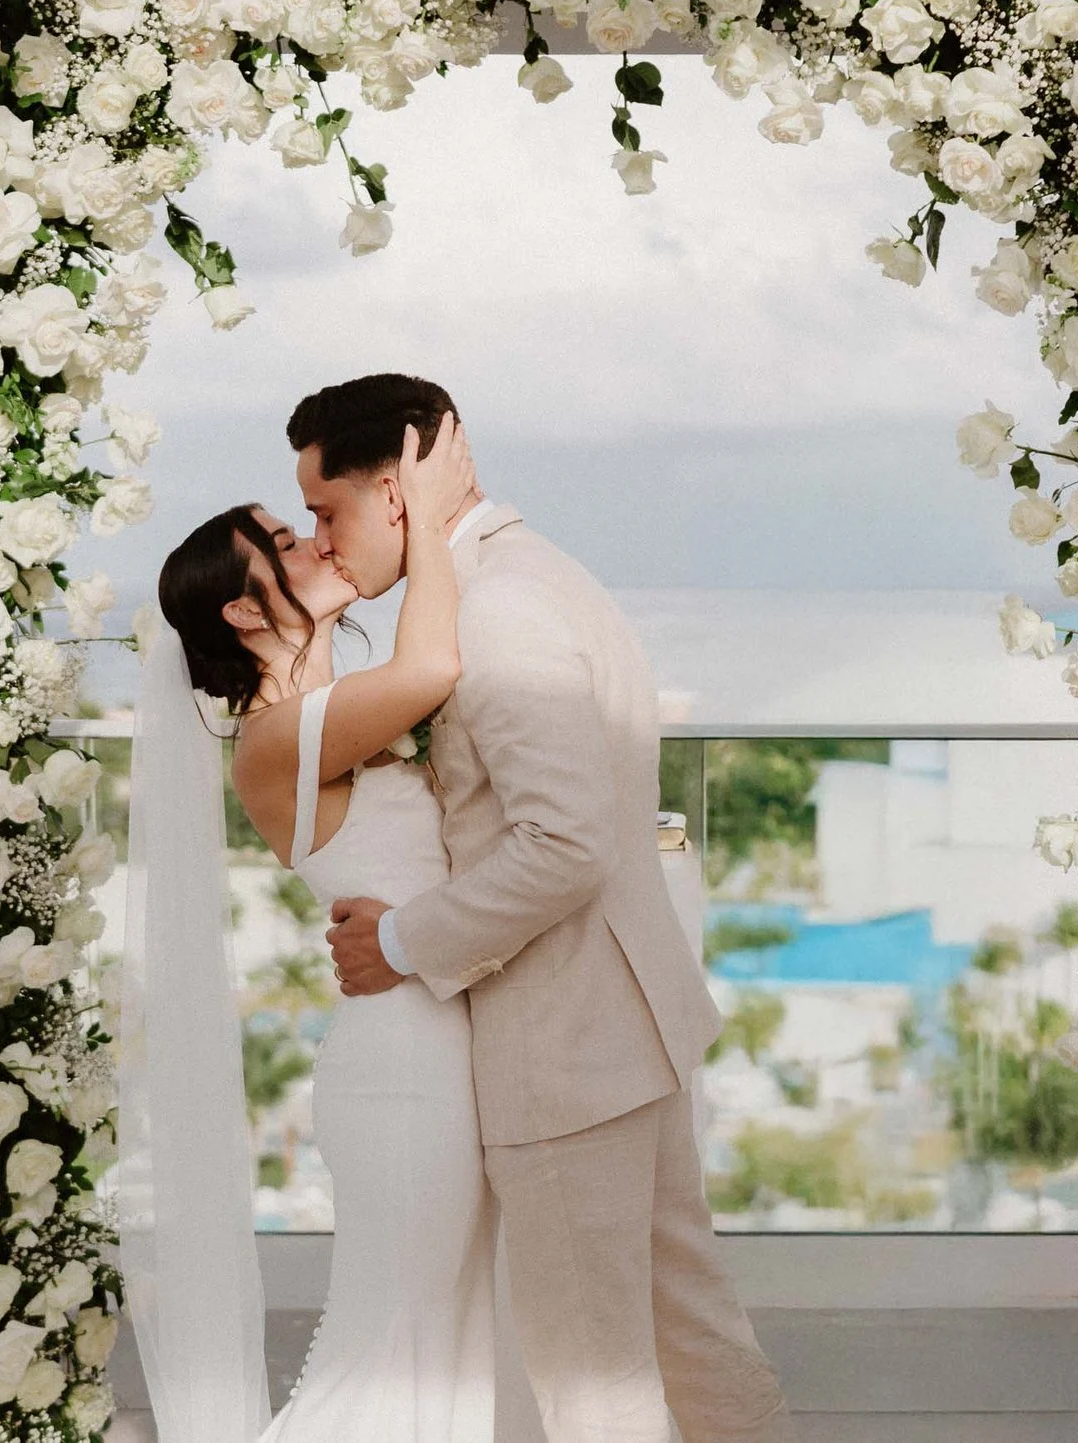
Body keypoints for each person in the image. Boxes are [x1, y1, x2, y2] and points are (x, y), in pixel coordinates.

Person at [302, 375, 786, 1443]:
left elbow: (560, 843)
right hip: (620, 1025)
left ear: (393, 489)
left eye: (326, 511)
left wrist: (396, 938)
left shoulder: (499, 607)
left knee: (593, 1377)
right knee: (687, 1327)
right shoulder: (532, 571)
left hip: (565, 1040)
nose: (322, 540)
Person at [127, 414, 498, 1443]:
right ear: (248, 609)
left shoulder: (325, 701)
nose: (317, 539)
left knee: (434, 1344)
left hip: (430, 1043)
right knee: (393, 1345)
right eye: (286, 544)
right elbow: (431, 670)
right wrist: (422, 516)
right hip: (403, 1074)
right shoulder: (278, 733)